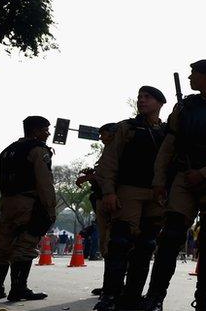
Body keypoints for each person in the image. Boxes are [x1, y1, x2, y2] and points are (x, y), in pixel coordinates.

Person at [143, 59, 206, 311]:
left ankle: (205, 296)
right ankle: (155, 296)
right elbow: (168, 146)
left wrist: (205, 173)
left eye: (195, 74)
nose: (190, 78)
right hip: (183, 175)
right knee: (170, 236)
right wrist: (159, 181)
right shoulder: (184, 107)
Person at [94, 86, 167, 311]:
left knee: (145, 247)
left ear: (160, 103)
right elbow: (110, 162)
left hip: (156, 195)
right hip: (129, 192)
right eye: (140, 97)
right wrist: (108, 192)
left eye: (147, 97)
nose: (142, 101)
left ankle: (133, 295)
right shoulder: (127, 128)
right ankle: (111, 295)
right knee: (120, 243)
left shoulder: (166, 131)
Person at [0, 116, 57, 302]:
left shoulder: (7, 150)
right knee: (26, 245)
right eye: (45, 129)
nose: (48, 133)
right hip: (28, 203)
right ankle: (18, 290)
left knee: (1, 247)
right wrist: (50, 209)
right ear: (35, 130)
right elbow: (44, 181)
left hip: (7, 203)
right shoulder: (38, 150)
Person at [76, 122, 118, 296]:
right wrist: (92, 176)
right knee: (106, 246)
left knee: (114, 244)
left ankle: (115, 286)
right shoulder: (108, 152)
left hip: (113, 202)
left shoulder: (118, 151)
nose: (101, 137)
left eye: (104, 134)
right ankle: (110, 284)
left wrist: (91, 177)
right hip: (102, 200)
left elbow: (112, 177)